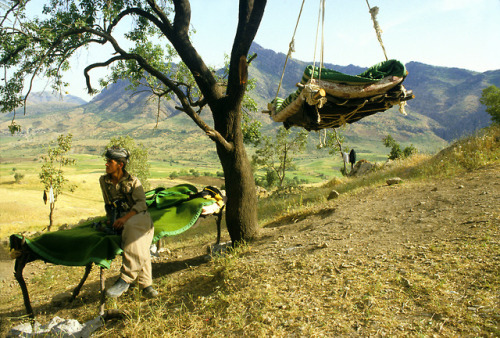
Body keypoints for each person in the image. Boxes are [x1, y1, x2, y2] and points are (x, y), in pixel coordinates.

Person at [100, 147, 158, 298]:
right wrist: (110, 219)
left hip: (138, 215)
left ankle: (125, 279)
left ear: (120, 164)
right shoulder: (104, 181)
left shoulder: (133, 181)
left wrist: (125, 219)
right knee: (142, 245)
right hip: (119, 216)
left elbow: (141, 204)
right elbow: (108, 203)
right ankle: (146, 285)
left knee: (132, 228)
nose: (106, 164)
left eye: (109, 161)